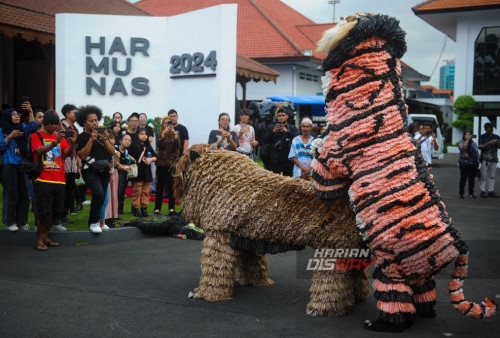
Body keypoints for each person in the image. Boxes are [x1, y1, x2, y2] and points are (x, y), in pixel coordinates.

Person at [31, 110, 75, 250]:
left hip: (60, 180)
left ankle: (45, 236)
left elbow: (66, 153)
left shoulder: (59, 137)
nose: (55, 127)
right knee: (44, 212)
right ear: (45, 123)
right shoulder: (36, 135)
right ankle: (39, 240)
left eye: (56, 124)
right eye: (52, 124)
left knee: (56, 212)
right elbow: (38, 150)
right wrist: (54, 143)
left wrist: (72, 144)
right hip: (43, 179)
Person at [75, 105, 116, 234]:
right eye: (91, 120)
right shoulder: (81, 137)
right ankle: (93, 222)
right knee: (98, 193)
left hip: (104, 171)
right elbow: (82, 154)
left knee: (102, 197)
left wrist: (105, 139)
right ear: (84, 122)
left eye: (96, 120)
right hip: (90, 171)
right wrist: (91, 139)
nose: (94, 122)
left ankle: (99, 221)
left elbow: (112, 151)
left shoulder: (101, 135)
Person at [1, 105, 37, 232]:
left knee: (24, 195)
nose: (18, 116)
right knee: (11, 194)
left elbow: (33, 126)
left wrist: (31, 111)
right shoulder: (3, 130)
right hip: (9, 165)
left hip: (22, 165)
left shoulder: (21, 128)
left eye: (18, 114)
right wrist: (10, 136)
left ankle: (22, 222)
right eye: (14, 114)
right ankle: (10, 221)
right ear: (7, 117)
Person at [128, 127, 157, 217]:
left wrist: (150, 159)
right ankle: (135, 208)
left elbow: (156, 157)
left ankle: (144, 208)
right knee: (137, 191)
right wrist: (132, 158)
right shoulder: (133, 144)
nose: (144, 136)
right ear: (137, 135)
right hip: (137, 171)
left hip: (147, 172)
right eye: (142, 134)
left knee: (145, 191)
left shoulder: (148, 145)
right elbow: (126, 153)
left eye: (145, 134)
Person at [154, 116, 180, 215]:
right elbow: (159, 145)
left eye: (169, 123)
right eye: (166, 123)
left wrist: (175, 134)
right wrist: (164, 133)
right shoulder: (160, 134)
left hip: (172, 164)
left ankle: (171, 208)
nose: (168, 125)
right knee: (160, 186)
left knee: (172, 186)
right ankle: (157, 208)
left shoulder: (175, 135)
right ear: (163, 124)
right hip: (161, 163)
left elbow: (177, 147)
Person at [262, 107, 299, 176]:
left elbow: (297, 139)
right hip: (273, 158)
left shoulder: (292, 128)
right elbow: (264, 140)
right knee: (274, 180)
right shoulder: (270, 127)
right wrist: (273, 131)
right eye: (279, 116)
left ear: (287, 116)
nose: (281, 117)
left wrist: (287, 132)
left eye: (283, 115)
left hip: (287, 158)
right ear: (277, 117)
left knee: (288, 179)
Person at [60, 104, 80, 225]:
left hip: (73, 162)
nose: (76, 115)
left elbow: (76, 148)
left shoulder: (75, 128)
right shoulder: (61, 126)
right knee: (62, 190)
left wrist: (78, 165)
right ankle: (59, 215)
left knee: (69, 190)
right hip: (63, 161)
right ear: (67, 114)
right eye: (74, 113)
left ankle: (64, 215)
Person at [478, 122, 500, 198]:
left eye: (491, 127)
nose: (491, 129)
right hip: (485, 158)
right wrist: (489, 143)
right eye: (489, 128)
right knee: (483, 175)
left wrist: (497, 143)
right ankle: (483, 191)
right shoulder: (482, 137)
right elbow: (480, 147)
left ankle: (491, 190)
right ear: (485, 129)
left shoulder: (496, 136)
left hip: (494, 158)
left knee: (492, 176)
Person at [115, 133, 136, 215]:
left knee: (122, 191)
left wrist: (133, 159)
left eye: (130, 140)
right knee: (117, 191)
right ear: (120, 141)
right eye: (126, 139)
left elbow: (128, 157)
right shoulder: (115, 148)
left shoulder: (126, 151)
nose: (128, 142)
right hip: (115, 173)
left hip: (124, 174)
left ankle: (120, 210)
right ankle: (116, 210)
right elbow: (116, 163)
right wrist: (124, 166)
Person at [458, 130, 480, 199]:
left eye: (469, 135)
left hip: (472, 163)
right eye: (466, 134)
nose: (467, 136)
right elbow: (462, 148)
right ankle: (461, 193)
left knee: (472, 179)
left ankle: (471, 193)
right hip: (464, 163)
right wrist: (467, 140)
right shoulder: (461, 142)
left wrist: (478, 161)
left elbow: (476, 153)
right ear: (464, 135)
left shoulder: (473, 143)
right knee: (463, 178)